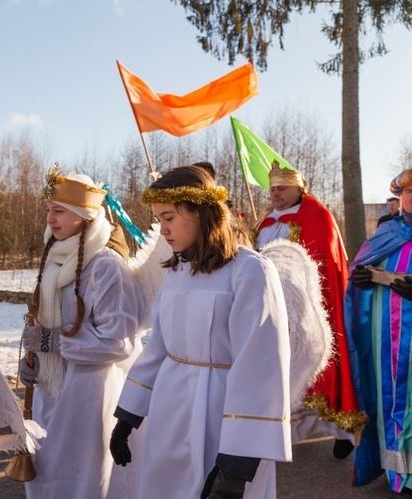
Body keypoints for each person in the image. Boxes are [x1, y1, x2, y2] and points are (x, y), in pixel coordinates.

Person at [110, 165, 292, 499]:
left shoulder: (250, 271)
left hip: (222, 418)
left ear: (202, 213)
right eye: (158, 220)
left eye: (168, 218)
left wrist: (236, 466)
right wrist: (128, 417)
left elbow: (261, 369)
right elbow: (159, 349)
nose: (162, 230)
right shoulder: (178, 270)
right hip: (170, 413)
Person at [18, 166, 145, 498]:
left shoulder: (106, 266)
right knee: (46, 476)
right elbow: (45, 324)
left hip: (90, 392)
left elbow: (119, 341)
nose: (50, 218)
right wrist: (36, 358)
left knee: (81, 478)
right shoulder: (56, 258)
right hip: (51, 389)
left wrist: (56, 343)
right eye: (48, 210)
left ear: (84, 215)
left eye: (59, 211)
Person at [253, 164, 365, 457]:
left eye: (282, 188)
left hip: (306, 306)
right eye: (272, 188)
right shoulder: (264, 221)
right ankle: (281, 433)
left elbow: (325, 265)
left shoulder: (317, 216)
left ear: (298, 189)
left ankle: (339, 431)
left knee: (317, 366)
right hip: (272, 307)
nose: (275, 193)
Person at [346, 169, 412, 495]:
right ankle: (398, 475)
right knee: (391, 402)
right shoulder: (386, 234)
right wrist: (359, 283)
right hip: (386, 341)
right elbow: (360, 275)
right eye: (409, 192)